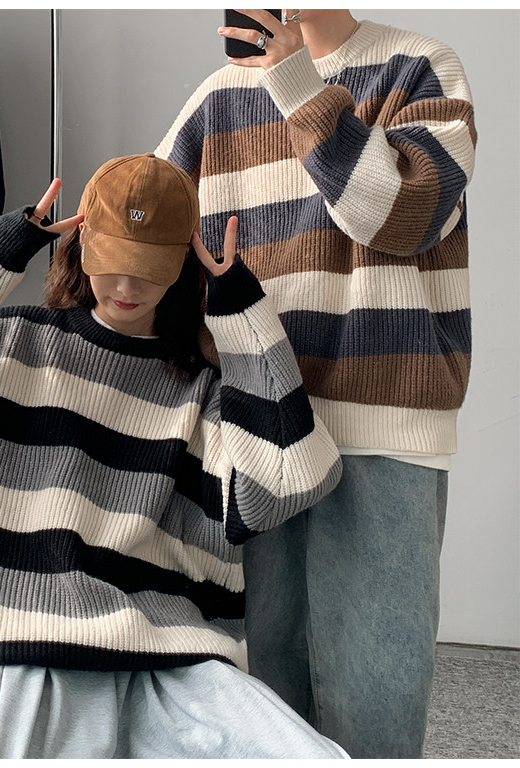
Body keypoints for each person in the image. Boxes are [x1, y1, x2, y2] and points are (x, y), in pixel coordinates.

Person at [0, 153, 345, 759]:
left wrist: (239, 308)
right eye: (112, 262)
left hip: (166, 657)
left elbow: (285, 482)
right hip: (3, 637)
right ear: (80, 243)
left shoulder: (200, 392)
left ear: (182, 262)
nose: (127, 287)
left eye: (148, 269)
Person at [154, 9, 476, 759]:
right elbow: (149, 241)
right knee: (262, 700)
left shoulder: (420, 68)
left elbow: (398, 218)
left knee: (375, 704)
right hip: (256, 430)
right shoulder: (215, 100)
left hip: (382, 428)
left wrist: (295, 84)